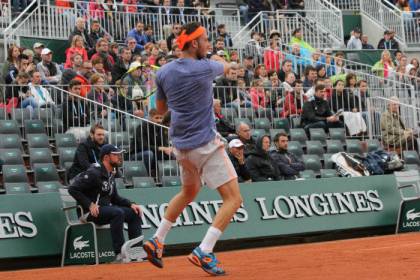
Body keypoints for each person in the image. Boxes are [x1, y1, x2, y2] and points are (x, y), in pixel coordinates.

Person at [142, 22, 242, 276]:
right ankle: (204, 250)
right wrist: (219, 60)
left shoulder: (163, 73)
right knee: (233, 199)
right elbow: (229, 66)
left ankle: (157, 239)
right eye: (206, 40)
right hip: (205, 145)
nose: (208, 44)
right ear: (195, 43)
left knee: (189, 192)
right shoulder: (204, 68)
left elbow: (161, 111)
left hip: (181, 147)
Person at [68, 144, 143, 263]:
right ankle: (120, 254)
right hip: (90, 213)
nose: (119, 157)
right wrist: (89, 204)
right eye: (116, 155)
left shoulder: (111, 173)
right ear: (106, 158)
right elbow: (72, 189)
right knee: (117, 212)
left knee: (134, 213)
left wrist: (131, 204)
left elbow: (115, 198)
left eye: (119, 154)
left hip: (105, 210)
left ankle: (137, 251)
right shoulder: (93, 172)